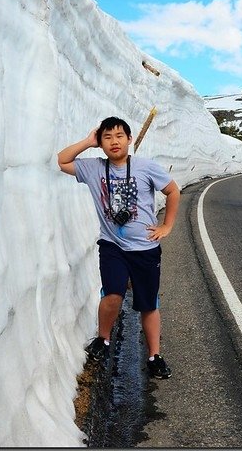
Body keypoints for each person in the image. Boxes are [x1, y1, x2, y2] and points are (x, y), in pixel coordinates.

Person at [57, 116, 180, 379]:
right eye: (107, 137)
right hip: (112, 245)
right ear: (100, 142)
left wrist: (166, 226)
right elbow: (62, 160)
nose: (114, 142)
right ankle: (103, 340)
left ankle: (154, 355)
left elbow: (173, 191)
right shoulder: (93, 169)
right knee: (113, 294)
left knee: (148, 303)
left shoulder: (146, 167)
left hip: (145, 249)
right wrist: (88, 142)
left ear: (129, 139)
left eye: (119, 136)